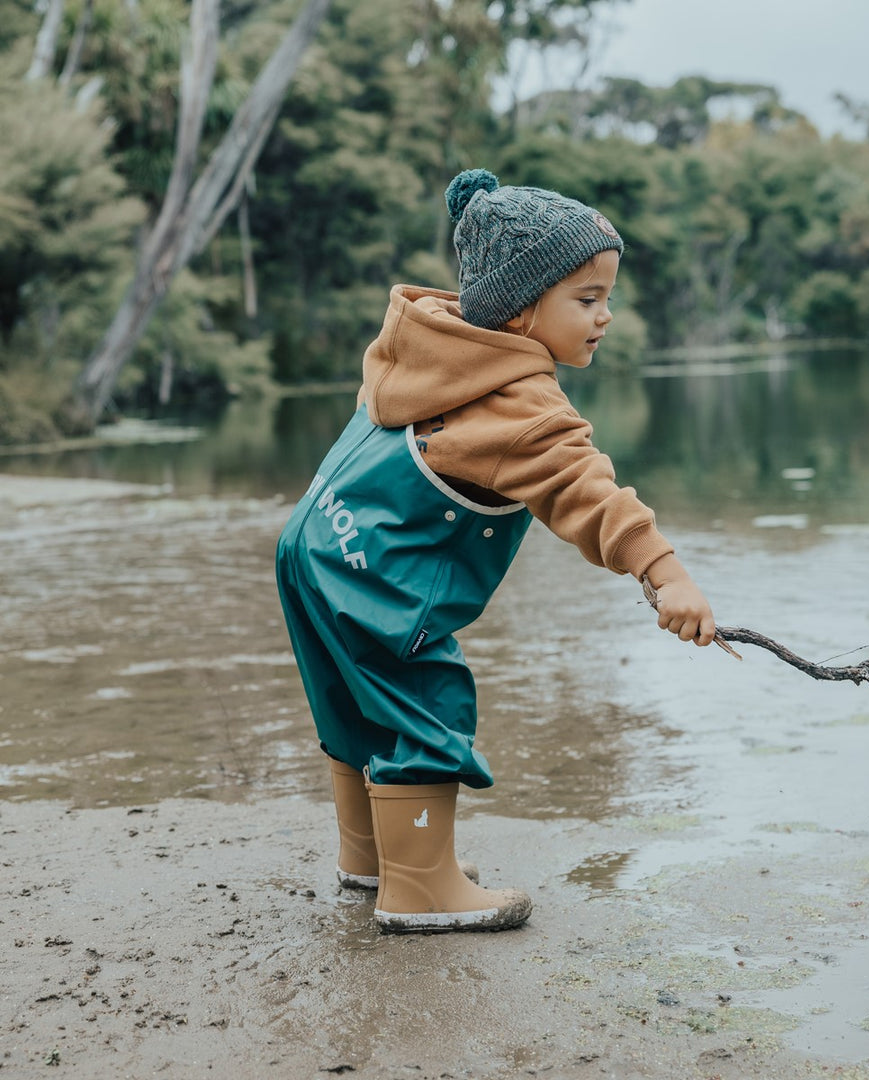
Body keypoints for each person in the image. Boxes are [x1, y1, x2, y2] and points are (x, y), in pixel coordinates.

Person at [276, 168, 716, 934]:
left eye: (607, 296)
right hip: (375, 574)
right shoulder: (516, 399)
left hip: (313, 543)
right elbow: (586, 487)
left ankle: (376, 856)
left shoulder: (431, 351)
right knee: (426, 697)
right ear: (519, 306)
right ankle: (419, 889)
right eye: (587, 299)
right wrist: (663, 571)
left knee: (354, 697)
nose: (606, 316)